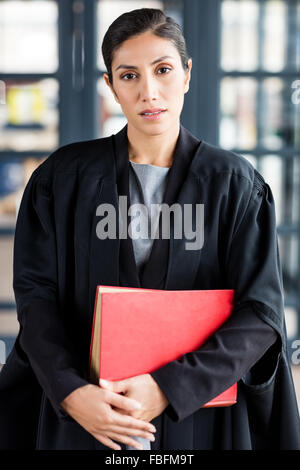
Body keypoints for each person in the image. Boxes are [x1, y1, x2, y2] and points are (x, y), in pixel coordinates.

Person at [0, 8, 299, 451]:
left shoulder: (235, 184)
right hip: (87, 413)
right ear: (110, 87)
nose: (149, 91)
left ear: (186, 74)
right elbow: (37, 299)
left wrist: (168, 388)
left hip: (198, 415)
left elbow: (260, 314)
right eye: (129, 76)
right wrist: (71, 392)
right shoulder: (62, 180)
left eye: (162, 70)